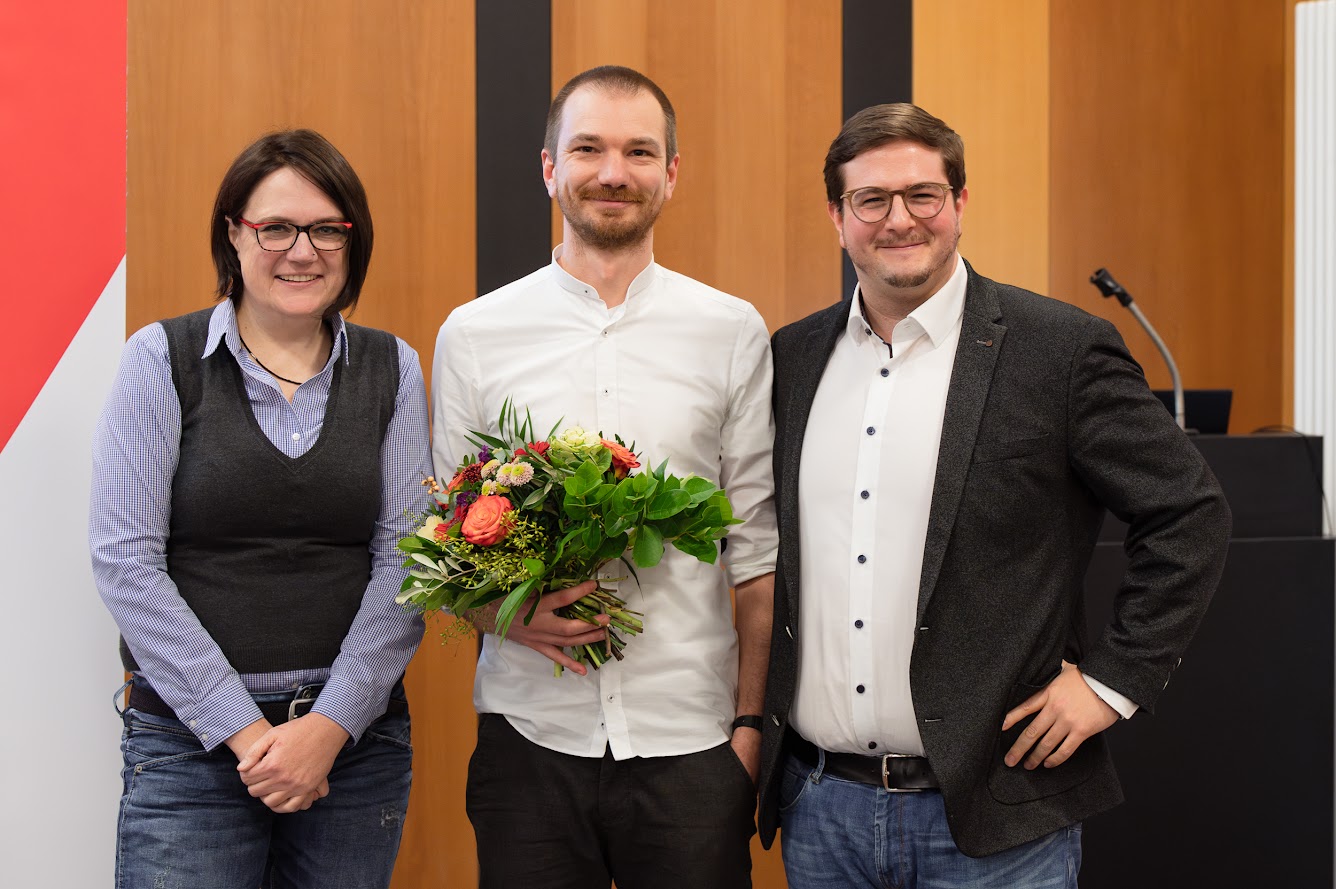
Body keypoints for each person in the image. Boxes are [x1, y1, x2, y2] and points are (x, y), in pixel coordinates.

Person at [756, 103, 1232, 887]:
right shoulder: (794, 356)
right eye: (871, 199)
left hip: (996, 816)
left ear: (960, 205)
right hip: (820, 810)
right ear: (837, 216)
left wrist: (1114, 681)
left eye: (923, 195)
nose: (899, 219)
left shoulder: (1060, 350)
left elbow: (1189, 512)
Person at [432, 66, 777, 888]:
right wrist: (504, 616)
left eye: (639, 151)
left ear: (671, 172)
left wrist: (750, 729)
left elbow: (755, 554)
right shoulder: (476, 333)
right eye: (588, 148)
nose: (613, 172)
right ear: (550, 167)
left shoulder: (730, 331)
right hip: (530, 738)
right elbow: (440, 546)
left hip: (693, 743)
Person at [90, 129, 430, 889]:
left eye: (326, 229)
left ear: (353, 240)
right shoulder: (161, 359)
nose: (301, 250)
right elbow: (125, 562)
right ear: (234, 236)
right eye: (275, 227)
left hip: (354, 749)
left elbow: (408, 559)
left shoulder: (392, 368)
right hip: (189, 747)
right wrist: (250, 734)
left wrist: (327, 726)